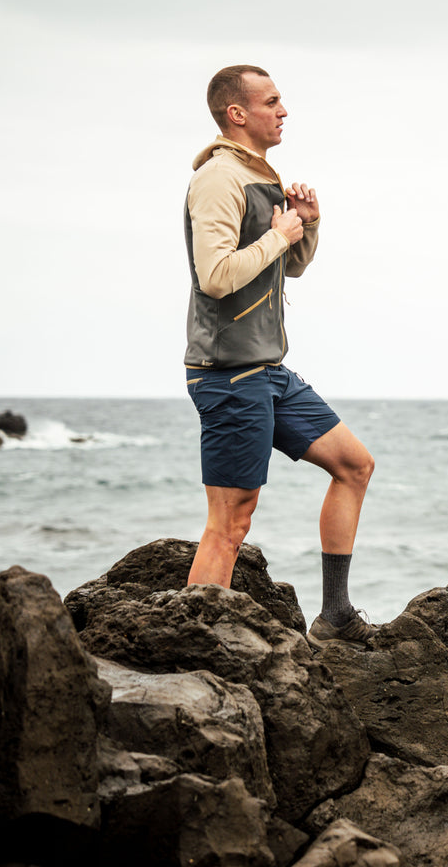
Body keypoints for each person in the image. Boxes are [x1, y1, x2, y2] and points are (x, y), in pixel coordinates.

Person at [183, 64, 375, 648]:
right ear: (237, 114)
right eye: (272, 101)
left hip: (267, 369)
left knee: (354, 465)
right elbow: (215, 277)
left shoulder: (261, 177)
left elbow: (283, 266)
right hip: (227, 376)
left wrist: (306, 228)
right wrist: (281, 234)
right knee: (230, 523)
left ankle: (335, 615)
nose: (283, 110)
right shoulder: (218, 178)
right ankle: (191, 644)